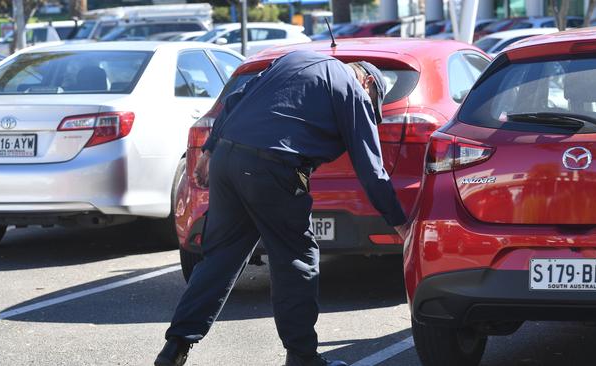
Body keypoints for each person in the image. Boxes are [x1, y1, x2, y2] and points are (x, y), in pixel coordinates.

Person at [155, 50, 408, 366]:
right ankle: (302, 357)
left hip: (228, 159)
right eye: (372, 105)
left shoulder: (293, 59)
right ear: (368, 81)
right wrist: (400, 223)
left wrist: (208, 150)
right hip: (273, 167)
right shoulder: (353, 87)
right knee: (296, 257)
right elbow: (371, 168)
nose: (367, 111)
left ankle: (175, 347)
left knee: (220, 257)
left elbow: (235, 100)